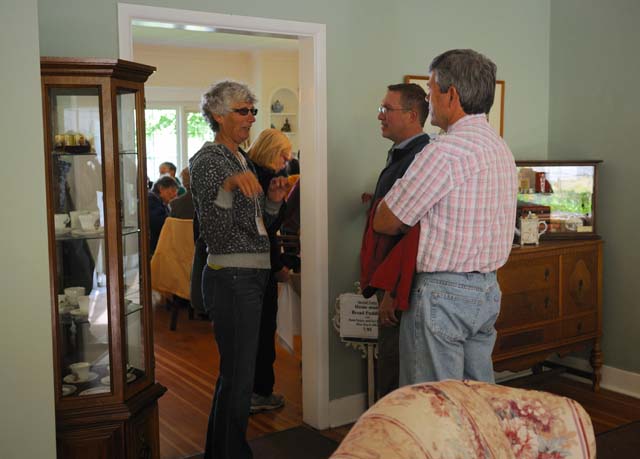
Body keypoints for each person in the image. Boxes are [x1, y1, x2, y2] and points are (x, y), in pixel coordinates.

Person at [373, 49, 518, 385]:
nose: (428, 99)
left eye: (431, 89)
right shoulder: (500, 148)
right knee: (476, 397)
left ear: (451, 95)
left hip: (443, 294)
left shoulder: (444, 151)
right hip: (487, 289)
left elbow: (386, 221)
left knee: (434, 402)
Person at [190, 81, 289, 459]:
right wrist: (228, 187)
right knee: (239, 378)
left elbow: (258, 228)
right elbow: (214, 232)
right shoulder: (209, 161)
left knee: (237, 377)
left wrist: (274, 202)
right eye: (242, 111)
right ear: (218, 115)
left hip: (251, 275)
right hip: (232, 278)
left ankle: (222, 452)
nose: (250, 118)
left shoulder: (241, 158)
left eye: (252, 111)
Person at [359, 83, 430, 400]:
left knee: (394, 370)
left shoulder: (420, 158)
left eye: (387, 109)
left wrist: (391, 291)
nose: (380, 115)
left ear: (412, 115)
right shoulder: (403, 154)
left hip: (399, 288)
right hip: (391, 281)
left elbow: (412, 232)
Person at [247, 129, 292, 413]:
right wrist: (278, 266)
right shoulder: (265, 180)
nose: (287, 159)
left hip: (255, 266)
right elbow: (265, 232)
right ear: (270, 151)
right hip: (259, 268)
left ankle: (252, 391)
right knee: (263, 333)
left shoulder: (254, 174)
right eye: (283, 154)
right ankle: (259, 392)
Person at [148, 175, 179, 255]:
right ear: (161, 189)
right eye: (172, 190)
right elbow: (158, 223)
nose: (175, 195)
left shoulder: (160, 202)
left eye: (176, 192)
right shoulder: (152, 200)